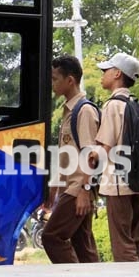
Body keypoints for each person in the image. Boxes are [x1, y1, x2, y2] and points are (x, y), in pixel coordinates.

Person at [41, 55, 99, 263]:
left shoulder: (84, 111)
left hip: (77, 188)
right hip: (71, 187)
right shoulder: (69, 112)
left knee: (51, 237)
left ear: (70, 80)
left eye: (55, 78)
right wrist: (55, 186)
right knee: (83, 246)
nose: (52, 83)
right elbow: (67, 156)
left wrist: (84, 192)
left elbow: (91, 156)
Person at [94, 52, 139, 262]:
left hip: (118, 182)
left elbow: (105, 148)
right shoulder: (137, 104)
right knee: (136, 237)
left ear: (117, 73)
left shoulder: (113, 105)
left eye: (105, 70)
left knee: (122, 241)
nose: (102, 74)